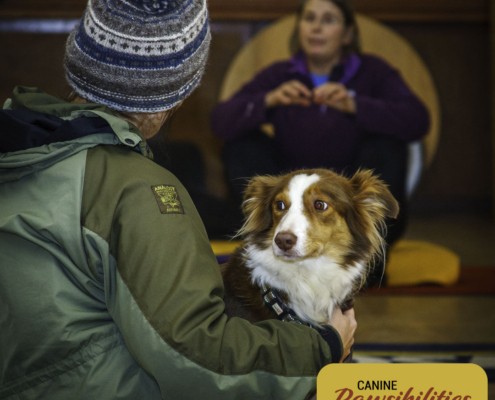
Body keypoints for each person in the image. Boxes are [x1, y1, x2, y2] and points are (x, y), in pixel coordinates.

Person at [0, 0, 357, 398]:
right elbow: (196, 359)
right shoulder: (139, 191)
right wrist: (319, 347)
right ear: (177, 92)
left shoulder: (21, 149)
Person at [211, 0, 430, 286]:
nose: (316, 27)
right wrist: (268, 100)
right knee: (242, 144)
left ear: (347, 34)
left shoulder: (374, 72)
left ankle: (373, 258)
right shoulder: (280, 73)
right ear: (299, 28)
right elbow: (220, 122)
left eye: (328, 20)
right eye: (310, 18)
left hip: (347, 194)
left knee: (387, 145)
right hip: (290, 184)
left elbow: (418, 120)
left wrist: (356, 105)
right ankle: (270, 244)